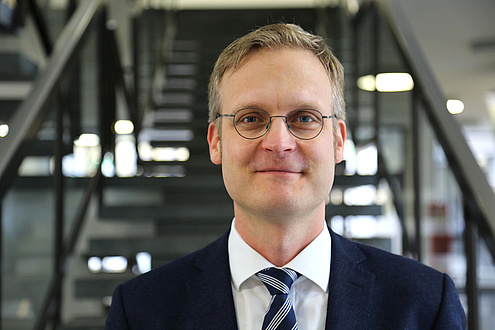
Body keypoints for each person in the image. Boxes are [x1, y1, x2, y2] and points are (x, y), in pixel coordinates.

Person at [105, 23, 466, 329]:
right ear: (216, 142)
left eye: (304, 118)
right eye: (251, 119)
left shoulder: (424, 304)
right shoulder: (140, 310)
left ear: (339, 141)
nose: (279, 143)